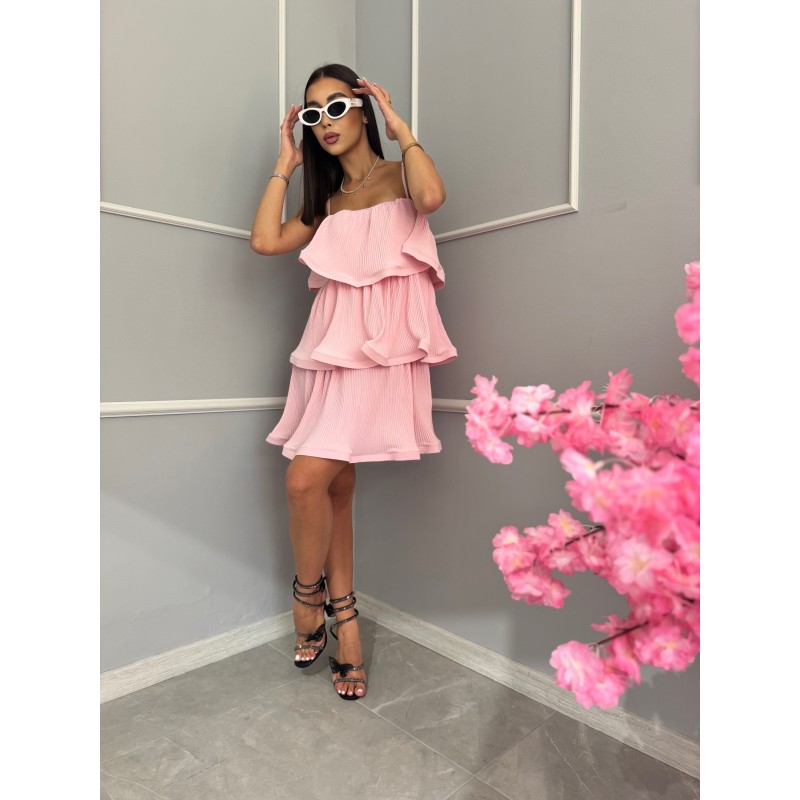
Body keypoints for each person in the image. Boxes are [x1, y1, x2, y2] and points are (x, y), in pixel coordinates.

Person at [250, 63, 457, 700]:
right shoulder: (327, 203)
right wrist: (285, 162)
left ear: (363, 108)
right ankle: (347, 629)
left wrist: (400, 128)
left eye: (336, 106)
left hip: (384, 355)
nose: (325, 123)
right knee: (333, 490)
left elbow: (431, 197)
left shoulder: (399, 176)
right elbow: (265, 240)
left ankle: (306, 598)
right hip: (330, 355)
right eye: (313, 115)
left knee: (303, 480)